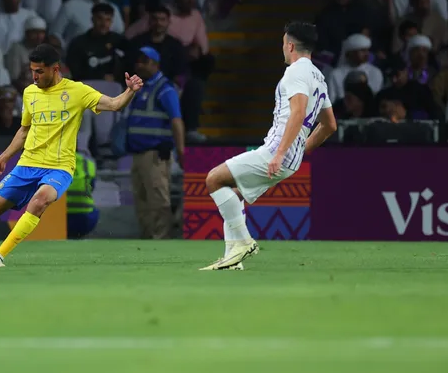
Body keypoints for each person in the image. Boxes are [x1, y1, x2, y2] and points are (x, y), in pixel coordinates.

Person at [0, 43, 144, 267]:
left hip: (59, 167)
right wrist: (3, 158)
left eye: (39, 71)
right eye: (32, 71)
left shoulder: (77, 91)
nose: (34, 76)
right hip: (27, 165)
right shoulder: (30, 93)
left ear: (55, 69)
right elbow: (24, 131)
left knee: (40, 199)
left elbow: (114, 104)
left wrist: (130, 90)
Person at [200, 22, 337, 271]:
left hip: (276, 152)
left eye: (283, 44)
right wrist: (298, 150)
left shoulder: (295, 72)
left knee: (214, 180)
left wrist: (282, 152)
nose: (282, 48)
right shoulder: (319, 77)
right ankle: (232, 260)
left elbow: (297, 113)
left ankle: (243, 243)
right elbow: (330, 125)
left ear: (291, 45)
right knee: (234, 194)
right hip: (290, 158)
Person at [126, 46, 185, 240]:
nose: (139, 64)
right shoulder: (142, 88)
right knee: (141, 199)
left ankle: (161, 239)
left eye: (145, 61)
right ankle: (147, 237)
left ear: (155, 64)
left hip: (155, 155)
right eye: (139, 60)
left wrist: (181, 150)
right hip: (138, 154)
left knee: (158, 199)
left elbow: (176, 121)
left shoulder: (165, 89)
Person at [66, 151, 99, 239]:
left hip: (61, 219)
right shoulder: (88, 163)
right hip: (85, 218)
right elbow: (91, 187)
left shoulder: (51, 162)